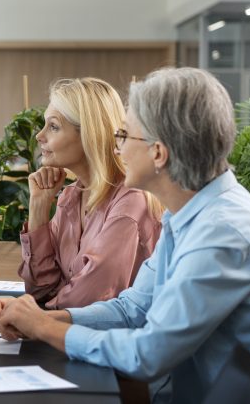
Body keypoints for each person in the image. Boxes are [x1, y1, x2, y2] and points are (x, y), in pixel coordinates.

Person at [0, 68, 250, 403]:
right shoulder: (188, 211)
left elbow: (148, 354)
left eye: (123, 136)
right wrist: (44, 319)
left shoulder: (223, 232)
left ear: (158, 153)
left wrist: (45, 328)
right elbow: (132, 308)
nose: (117, 147)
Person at [20, 77, 161, 308]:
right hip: (65, 334)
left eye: (53, 126)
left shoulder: (130, 202)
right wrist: (39, 205)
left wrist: (32, 316)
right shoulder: (70, 197)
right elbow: (39, 289)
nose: (40, 135)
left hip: (109, 341)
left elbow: (89, 302)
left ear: (89, 135)